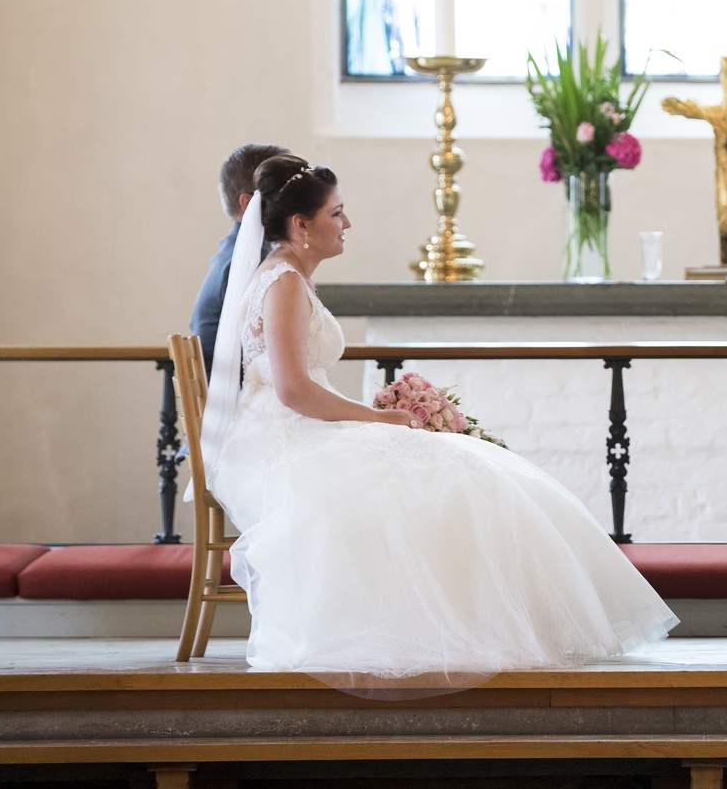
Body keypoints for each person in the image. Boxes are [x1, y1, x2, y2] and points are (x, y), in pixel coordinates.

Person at [200, 154, 677, 686]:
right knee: (438, 480)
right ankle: (446, 633)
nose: (347, 223)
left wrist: (377, 420)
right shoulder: (284, 281)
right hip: (282, 440)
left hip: (300, 425)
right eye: (336, 213)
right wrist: (377, 419)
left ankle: (487, 627)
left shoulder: (286, 274)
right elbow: (293, 391)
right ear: (301, 224)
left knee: (463, 468)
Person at [190, 143, 287, 377]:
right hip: (235, 392)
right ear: (248, 203)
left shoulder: (232, 252)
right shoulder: (252, 262)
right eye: (285, 193)